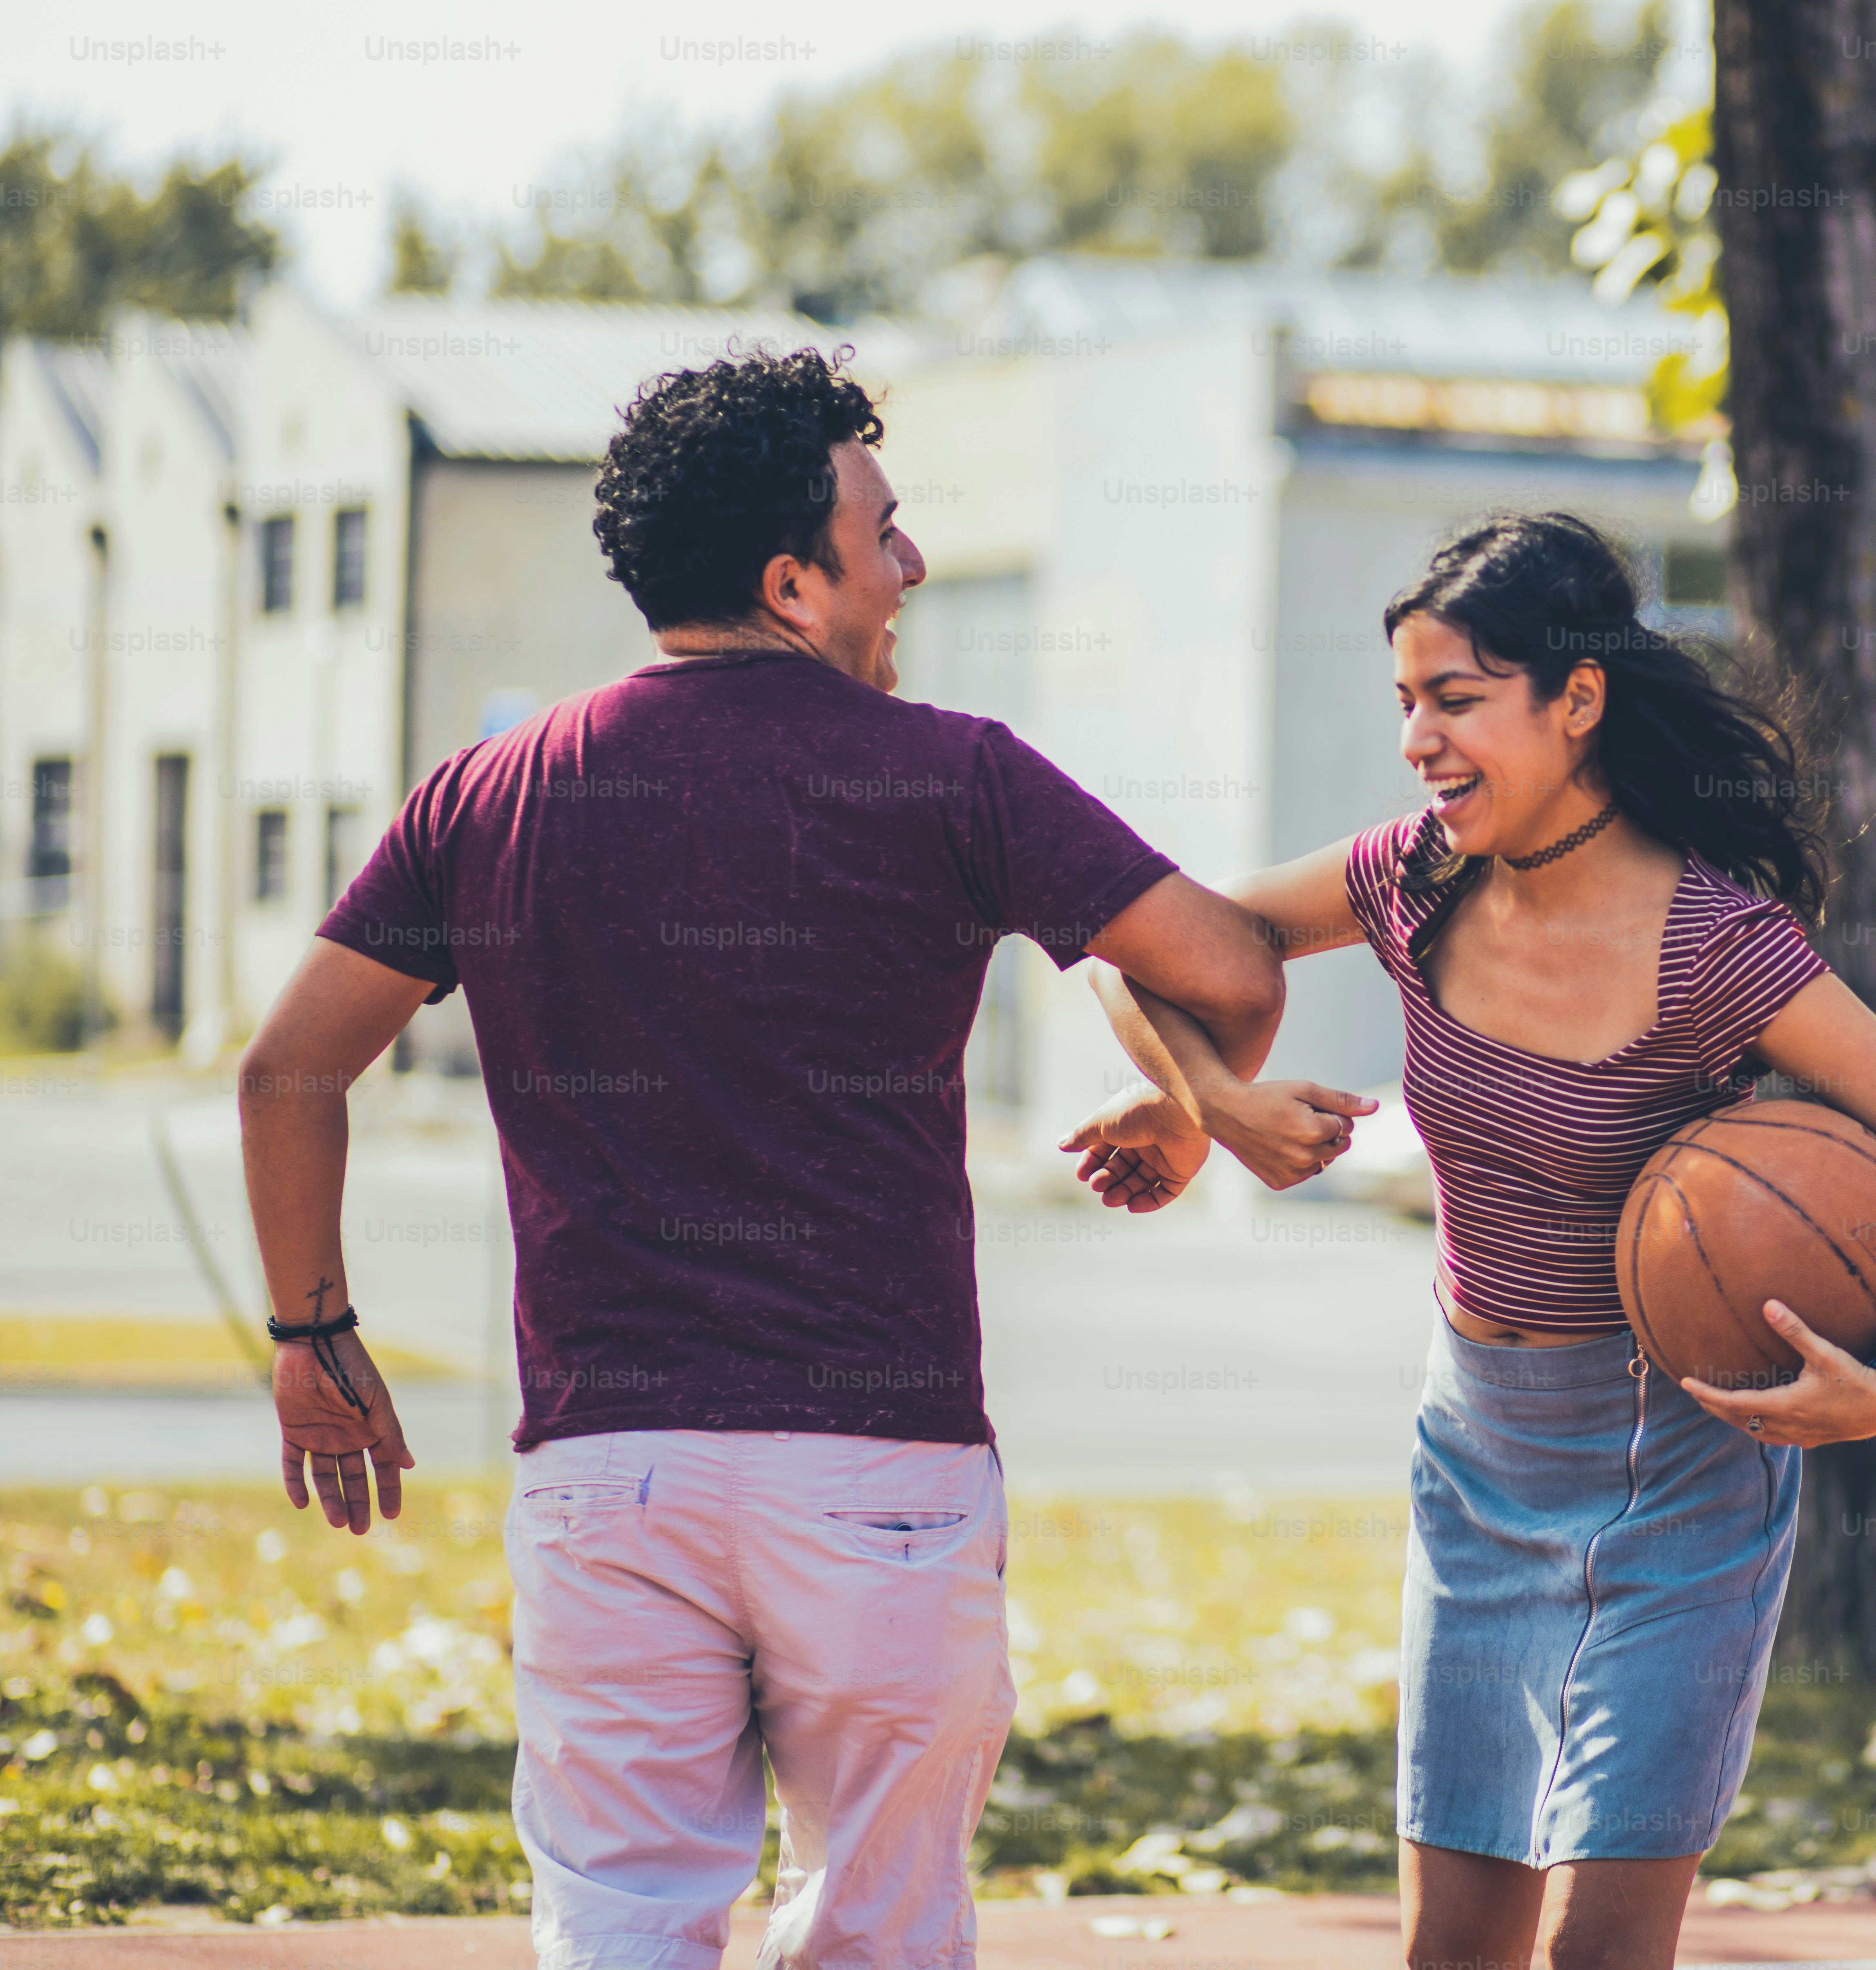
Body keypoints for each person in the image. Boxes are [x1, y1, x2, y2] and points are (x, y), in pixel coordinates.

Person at [234, 347, 1346, 1970]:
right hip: (880, 1477)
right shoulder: (957, 773)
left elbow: (287, 1072)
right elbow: (1233, 969)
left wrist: (310, 1333)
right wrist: (1195, 1114)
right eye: (882, 533)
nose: (908, 566)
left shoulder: (487, 792)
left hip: (606, 1473)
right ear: (790, 580)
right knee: (885, 1938)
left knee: (620, 1929)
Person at [1064, 512, 1876, 1970]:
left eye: (1455, 699)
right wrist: (1206, 1103)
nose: (1417, 740)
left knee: (1600, 1958)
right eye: (1404, 701)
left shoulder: (1717, 945)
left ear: (1574, 703)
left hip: (1676, 1480)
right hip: (1478, 1446)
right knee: (1450, 1954)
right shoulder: (1414, 879)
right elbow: (1128, 941)